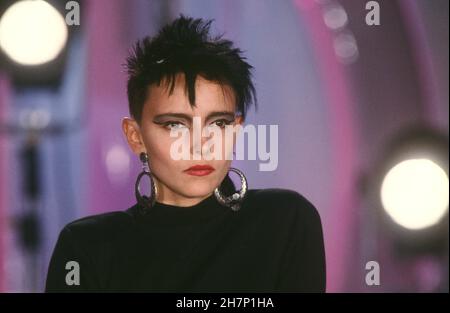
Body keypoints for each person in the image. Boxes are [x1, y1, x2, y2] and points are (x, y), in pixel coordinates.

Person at [45, 15, 326, 292]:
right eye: (175, 125)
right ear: (136, 136)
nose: (199, 145)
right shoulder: (88, 246)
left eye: (218, 123)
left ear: (236, 130)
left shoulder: (284, 222)